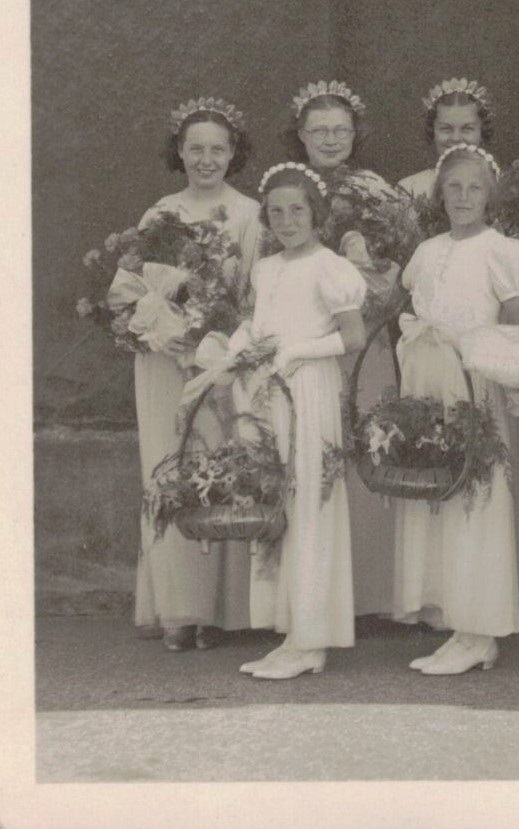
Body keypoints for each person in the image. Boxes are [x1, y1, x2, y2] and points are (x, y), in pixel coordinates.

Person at [391, 145, 519, 675]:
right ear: (440, 194)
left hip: (477, 380)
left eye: (475, 188)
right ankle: (454, 618)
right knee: (438, 492)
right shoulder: (427, 251)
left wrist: (517, 375)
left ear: (490, 195)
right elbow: (413, 311)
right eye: (454, 187)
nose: (464, 197)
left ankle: (481, 628)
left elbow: (516, 321)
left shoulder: (503, 250)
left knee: (478, 497)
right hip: (431, 383)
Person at [131, 98, 260, 651]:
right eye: (196, 148)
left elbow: (255, 294)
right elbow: (133, 288)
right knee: (168, 465)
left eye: (218, 148)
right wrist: (164, 328)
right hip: (164, 361)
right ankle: (178, 609)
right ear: (179, 153)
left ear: (233, 154)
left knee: (219, 467)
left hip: (218, 362)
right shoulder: (159, 213)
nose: (206, 159)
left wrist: (220, 339)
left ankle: (218, 611)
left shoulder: (250, 215)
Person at [281, 80, 409, 618]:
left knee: (365, 447)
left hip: (364, 340)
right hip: (306, 339)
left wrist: (380, 278)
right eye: (319, 131)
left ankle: (373, 594)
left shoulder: (380, 192)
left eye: (340, 130)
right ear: (302, 136)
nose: (330, 140)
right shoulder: (288, 192)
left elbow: (407, 257)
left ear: (356, 134)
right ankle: (312, 593)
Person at [237, 163, 366, 679]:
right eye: (277, 211)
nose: (287, 220)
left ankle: (313, 640)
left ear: (316, 214)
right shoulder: (266, 268)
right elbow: (259, 325)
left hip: (310, 391)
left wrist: (299, 352)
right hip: (268, 392)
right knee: (277, 504)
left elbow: (352, 337)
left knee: (308, 504)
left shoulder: (330, 267)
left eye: (298, 210)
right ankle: (289, 630)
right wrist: (236, 351)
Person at [397, 78, 495, 204]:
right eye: (446, 129)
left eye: (467, 128)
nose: (456, 138)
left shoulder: (502, 188)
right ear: (433, 132)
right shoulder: (410, 188)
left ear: (482, 132)